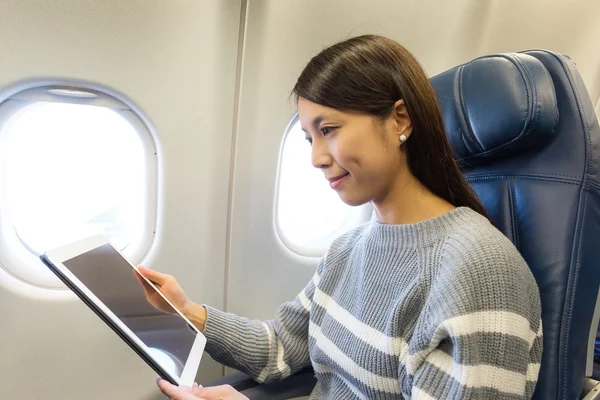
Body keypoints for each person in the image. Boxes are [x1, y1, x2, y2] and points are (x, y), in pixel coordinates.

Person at [138, 34, 543, 399]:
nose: (316, 158)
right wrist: (185, 309)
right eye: (309, 138)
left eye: (329, 129)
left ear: (400, 119)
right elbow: (281, 347)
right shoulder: (349, 248)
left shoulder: (480, 269)